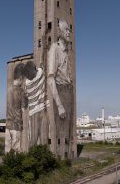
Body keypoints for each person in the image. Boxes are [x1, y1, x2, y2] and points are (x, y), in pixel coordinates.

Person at [47, 20, 74, 158]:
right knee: (61, 131)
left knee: (69, 130)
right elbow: (50, 78)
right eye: (66, 30)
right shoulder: (54, 49)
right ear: (60, 32)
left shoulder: (67, 51)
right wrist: (59, 104)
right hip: (61, 90)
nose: (69, 32)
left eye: (70, 30)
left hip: (69, 91)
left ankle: (67, 160)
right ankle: (59, 160)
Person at [24, 61, 49, 146]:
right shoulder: (40, 73)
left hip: (33, 112)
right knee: (44, 137)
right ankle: (44, 156)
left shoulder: (27, 83)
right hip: (42, 109)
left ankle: (32, 157)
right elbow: (41, 67)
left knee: (33, 138)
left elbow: (26, 96)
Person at [5, 63, 27, 152]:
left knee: (7, 147)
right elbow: (23, 108)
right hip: (17, 124)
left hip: (8, 124)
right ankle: (16, 164)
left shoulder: (9, 89)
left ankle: (7, 164)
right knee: (17, 149)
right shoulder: (21, 91)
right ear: (21, 78)